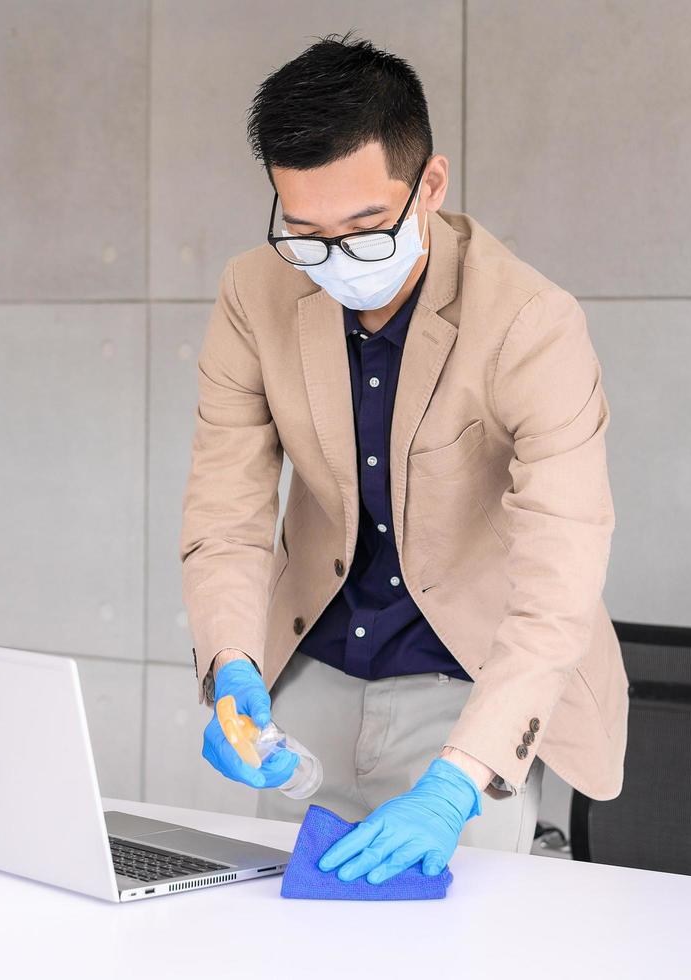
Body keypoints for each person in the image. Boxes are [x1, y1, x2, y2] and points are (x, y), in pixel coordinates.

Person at [179, 31, 628, 886]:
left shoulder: (532, 323)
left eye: (364, 228)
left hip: (469, 682)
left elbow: (557, 580)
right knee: (268, 941)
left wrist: (459, 782)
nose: (334, 260)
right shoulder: (253, 293)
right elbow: (226, 514)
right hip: (306, 674)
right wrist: (231, 661)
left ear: (430, 184)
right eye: (305, 233)